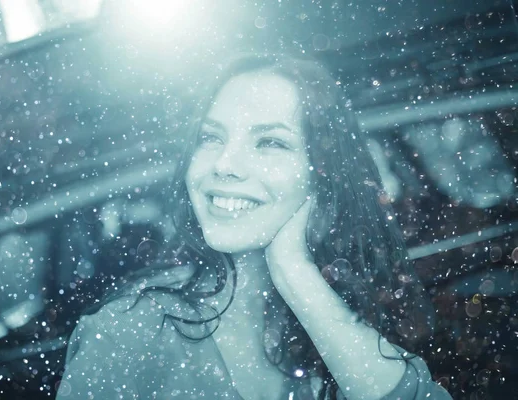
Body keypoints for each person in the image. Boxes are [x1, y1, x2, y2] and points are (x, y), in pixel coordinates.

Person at [55, 54, 452, 400]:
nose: (224, 164)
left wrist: (295, 275)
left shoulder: (352, 311)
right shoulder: (131, 332)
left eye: (270, 143)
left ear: (323, 174)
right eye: (210, 137)